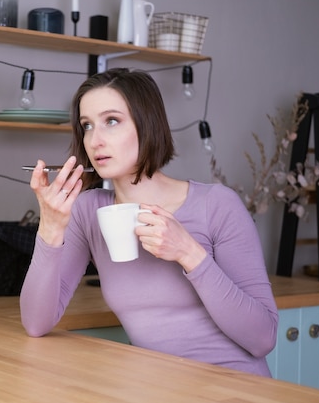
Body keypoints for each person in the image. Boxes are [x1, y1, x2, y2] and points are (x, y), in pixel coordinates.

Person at [19, 68, 278, 377]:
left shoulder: (216, 205)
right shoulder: (88, 211)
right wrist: (51, 228)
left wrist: (189, 254)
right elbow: (36, 323)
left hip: (234, 388)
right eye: (87, 126)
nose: (95, 140)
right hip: (154, 387)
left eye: (111, 121)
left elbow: (263, 339)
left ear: (147, 124)